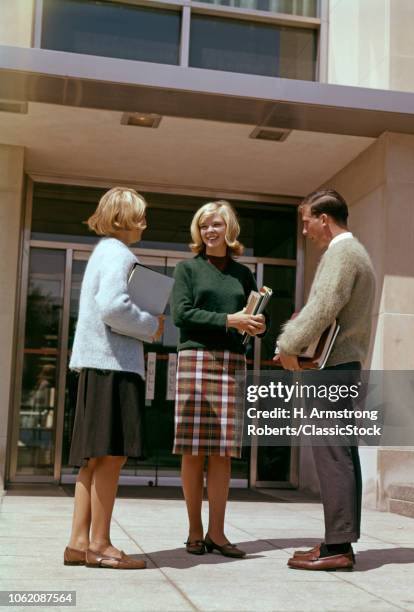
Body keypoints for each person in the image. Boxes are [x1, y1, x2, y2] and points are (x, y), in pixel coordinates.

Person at [64, 187, 164, 569]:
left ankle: (78, 543)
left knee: (94, 458)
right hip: (114, 367)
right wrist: (150, 325)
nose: (144, 222)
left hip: (95, 365)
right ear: (123, 217)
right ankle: (101, 546)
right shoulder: (120, 254)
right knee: (112, 457)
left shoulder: (102, 252)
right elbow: (112, 307)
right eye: (139, 215)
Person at [276, 188, 375, 571]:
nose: (304, 231)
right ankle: (338, 542)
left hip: (332, 369)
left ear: (324, 219)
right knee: (342, 454)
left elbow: (323, 306)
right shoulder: (356, 253)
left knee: (333, 455)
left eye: (306, 222)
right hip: (342, 366)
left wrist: (288, 344)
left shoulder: (343, 253)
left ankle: (337, 549)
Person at [171, 200, 266, 557]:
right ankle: (195, 531)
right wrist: (230, 320)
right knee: (193, 451)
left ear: (229, 229)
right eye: (205, 225)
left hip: (232, 363)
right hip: (195, 360)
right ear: (199, 231)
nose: (211, 231)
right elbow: (181, 314)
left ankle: (218, 533)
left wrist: (257, 324)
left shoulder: (243, 274)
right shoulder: (187, 269)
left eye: (217, 225)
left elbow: (250, 314)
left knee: (223, 454)